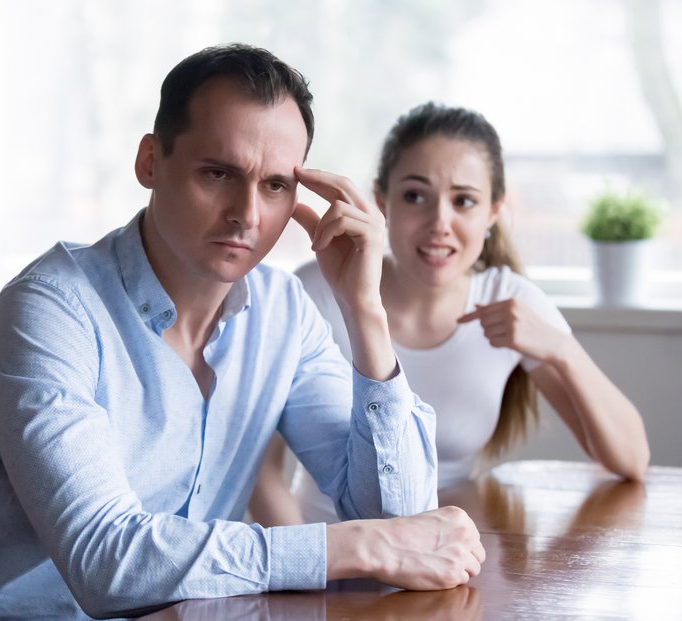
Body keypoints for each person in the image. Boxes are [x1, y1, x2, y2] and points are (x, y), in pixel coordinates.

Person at [0, 48, 487, 620]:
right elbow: (107, 563)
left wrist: (365, 311)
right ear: (151, 161)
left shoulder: (283, 312)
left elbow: (401, 520)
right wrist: (357, 547)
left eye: (276, 185)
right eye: (218, 173)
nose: (247, 214)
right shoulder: (49, 312)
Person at [249, 103, 650, 526]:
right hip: (334, 555)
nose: (440, 222)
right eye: (415, 196)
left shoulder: (512, 301)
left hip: (449, 564)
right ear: (382, 201)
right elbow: (262, 470)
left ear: (494, 212)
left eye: (464, 201)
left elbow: (631, 459)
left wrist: (561, 349)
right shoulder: (317, 290)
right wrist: (312, 568)